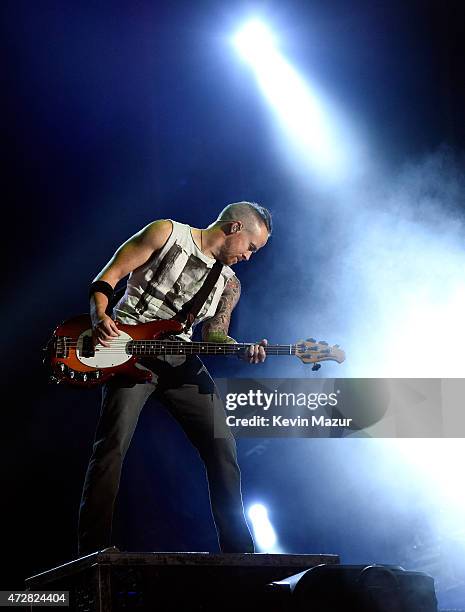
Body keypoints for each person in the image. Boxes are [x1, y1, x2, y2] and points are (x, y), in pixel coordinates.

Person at [77, 201, 272, 555]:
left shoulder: (230, 283)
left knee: (222, 446)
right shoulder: (166, 232)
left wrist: (240, 349)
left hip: (180, 359)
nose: (248, 257)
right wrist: (100, 316)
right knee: (112, 446)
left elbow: (214, 336)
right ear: (233, 229)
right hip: (128, 349)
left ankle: (241, 554)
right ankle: (93, 552)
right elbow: (109, 276)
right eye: (250, 248)